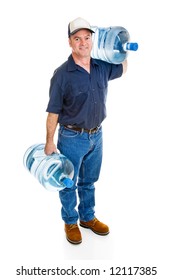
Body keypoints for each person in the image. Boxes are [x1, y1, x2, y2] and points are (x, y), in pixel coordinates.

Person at [44, 17, 127, 244]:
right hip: (71, 137)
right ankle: (70, 221)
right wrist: (50, 142)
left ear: (93, 39)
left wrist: (121, 48)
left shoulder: (101, 66)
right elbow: (53, 112)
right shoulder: (62, 74)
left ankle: (87, 218)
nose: (83, 43)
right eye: (77, 38)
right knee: (68, 182)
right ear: (70, 42)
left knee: (89, 181)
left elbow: (123, 67)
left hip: (97, 135)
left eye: (87, 38)